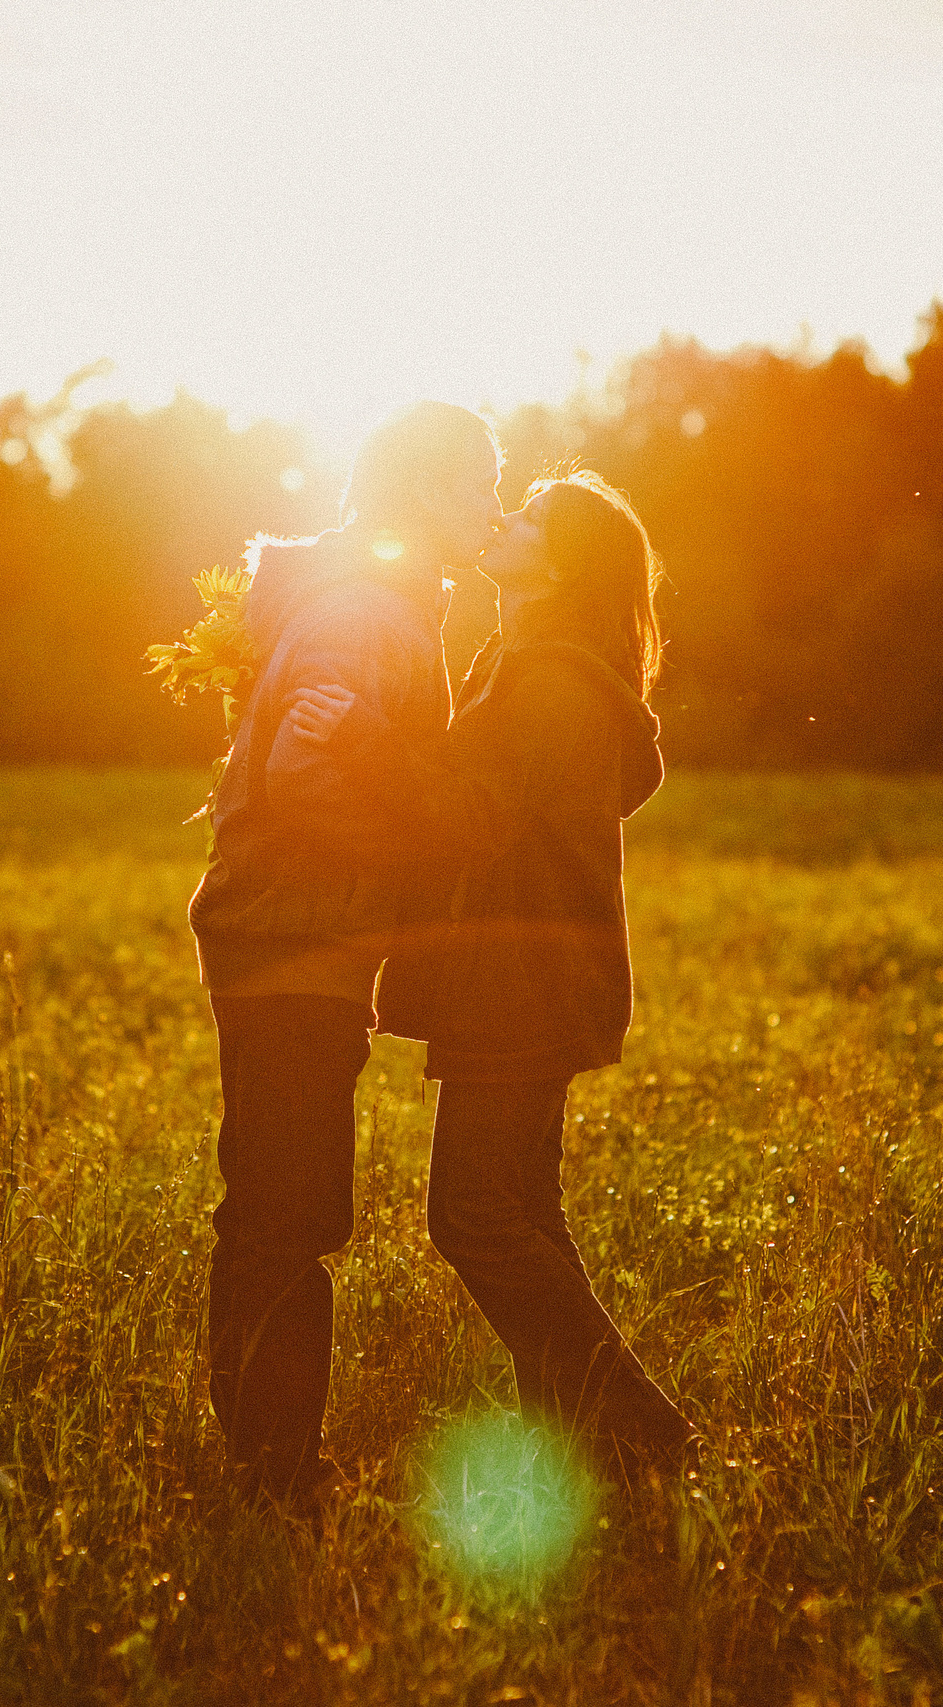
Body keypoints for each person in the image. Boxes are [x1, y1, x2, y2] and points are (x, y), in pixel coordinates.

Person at [280, 470, 694, 1478]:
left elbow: (474, 819)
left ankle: (648, 1432)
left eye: (529, 517)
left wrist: (359, 736)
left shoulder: (550, 679)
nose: (502, 518)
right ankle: (585, 1445)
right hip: (538, 975)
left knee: (472, 1218)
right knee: (524, 1213)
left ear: (562, 562)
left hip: (522, 978)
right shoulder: (541, 668)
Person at [187, 401, 504, 1510]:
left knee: (276, 1204)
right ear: (426, 492)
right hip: (292, 938)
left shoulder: (379, 603)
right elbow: (302, 776)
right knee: (288, 1211)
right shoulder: (367, 613)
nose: (494, 510)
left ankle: (263, 1461)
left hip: (293, 931)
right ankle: (277, 1478)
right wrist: (419, 851)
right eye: (480, 486)